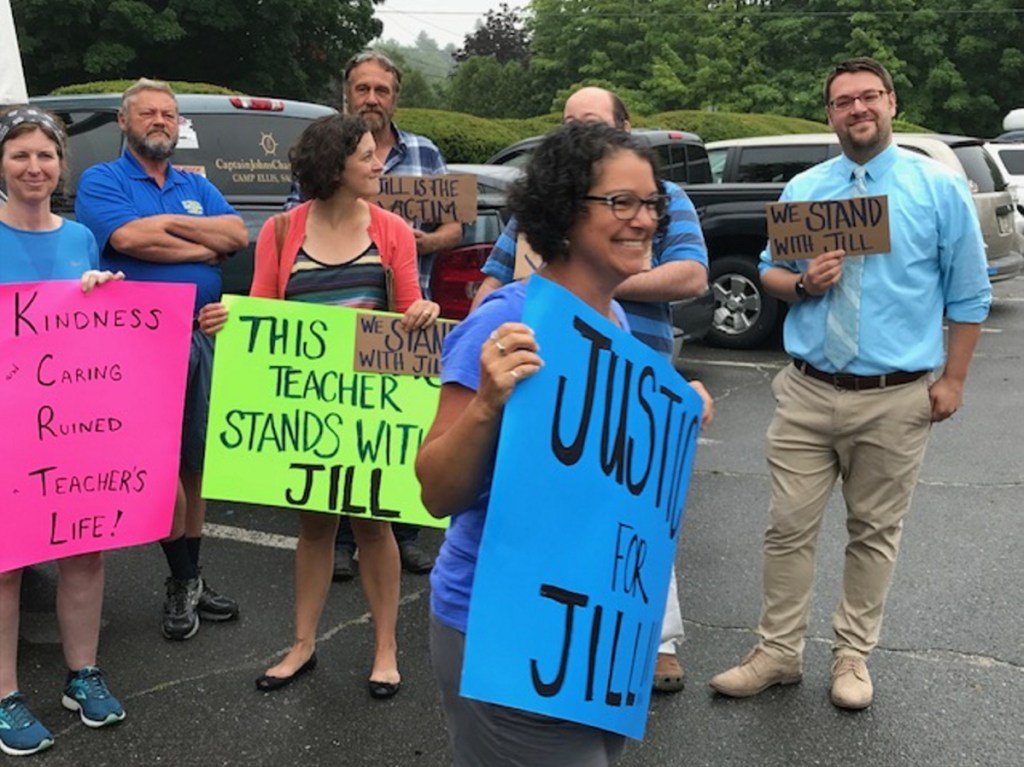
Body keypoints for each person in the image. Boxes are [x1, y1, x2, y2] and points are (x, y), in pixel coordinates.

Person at [416, 121, 714, 766]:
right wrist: (489, 404)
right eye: (620, 202)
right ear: (563, 211)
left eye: (651, 204)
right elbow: (436, 491)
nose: (643, 220)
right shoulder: (504, 322)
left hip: (589, 630)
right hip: (500, 623)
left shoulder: (609, 323)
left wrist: (676, 413)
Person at [709, 57, 991, 710]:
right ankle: (777, 652)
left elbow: (970, 295)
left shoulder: (936, 189)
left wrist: (953, 380)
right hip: (807, 389)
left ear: (891, 102)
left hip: (895, 396)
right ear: (829, 114)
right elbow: (770, 272)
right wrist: (804, 282)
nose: (857, 109)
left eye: (868, 97)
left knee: (873, 532)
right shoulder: (806, 188)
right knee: (786, 527)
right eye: (843, 102)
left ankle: (851, 655)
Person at [470, 86, 709, 694]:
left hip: (639, 374)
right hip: (543, 381)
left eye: (594, 123)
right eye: (571, 125)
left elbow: (692, 274)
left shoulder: (662, 203)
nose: (642, 218)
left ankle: (650, 640)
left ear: (626, 128)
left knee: (634, 511)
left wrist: (600, 284)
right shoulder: (519, 291)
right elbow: (495, 281)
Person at [201, 113, 440, 697]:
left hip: (368, 413)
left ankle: (386, 648)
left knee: (375, 529)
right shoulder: (281, 233)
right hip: (305, 414)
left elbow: (408, 308)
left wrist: (423, 312)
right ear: (333, 167)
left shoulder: (392, 232)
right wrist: (228, 321)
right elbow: (263, 316)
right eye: (365, 156)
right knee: (313, 529)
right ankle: (303, 644)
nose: (379, 163)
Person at [74, 78, 249, 641]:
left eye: (169, 115)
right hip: (139, 346)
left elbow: (236, 234)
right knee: (160, 468)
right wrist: (205, 245)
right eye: (148, 113)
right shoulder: (102, 179)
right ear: (123, 122)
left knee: (196, 464)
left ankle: (191, 576)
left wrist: (176, 229)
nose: (160, 121)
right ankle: (181, 578)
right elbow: (128, 237)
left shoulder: (193, 183)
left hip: (203, 338)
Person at [287, 51, 460, 579]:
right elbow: (300, 217)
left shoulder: (425, 154)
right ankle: (336, 540)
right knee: (334, 432)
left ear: (395, 97)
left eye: (381, 91)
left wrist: (420, 242)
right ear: (347, 94)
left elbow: (454, 226)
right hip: (323, 331)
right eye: (362, 89)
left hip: (401, 320)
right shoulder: (318, 167)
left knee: (387, 435)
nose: (371, 99)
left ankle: (403, 533)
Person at [0, 106, 125, 757]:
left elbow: (97, 332)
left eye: (44, 155)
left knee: (84, 551)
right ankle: (4, 694)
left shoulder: (79, 238)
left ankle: (83, 674)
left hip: (73, 427)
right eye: (19, 154)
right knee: (6, 565)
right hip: (3, 427)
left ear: (61, 165)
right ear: (1, 164)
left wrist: (103, 294)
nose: (33, 167)